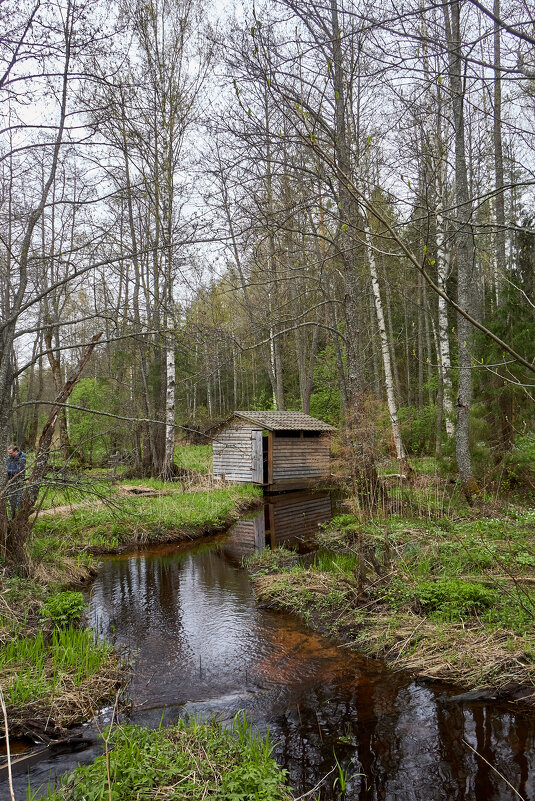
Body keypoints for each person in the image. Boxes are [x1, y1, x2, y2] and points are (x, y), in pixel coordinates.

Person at [7, 444, 26, 518]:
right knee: (11, 499)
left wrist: (6, 471)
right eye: (8, 453)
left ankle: (19, 516)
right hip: (10, 481)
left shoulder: (22, 458)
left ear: (16, 451)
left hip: (19, 480)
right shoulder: (9, 458)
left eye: (11, 453)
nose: (9, 455)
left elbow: (18, 471)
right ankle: (12, 516)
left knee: (18, 498)